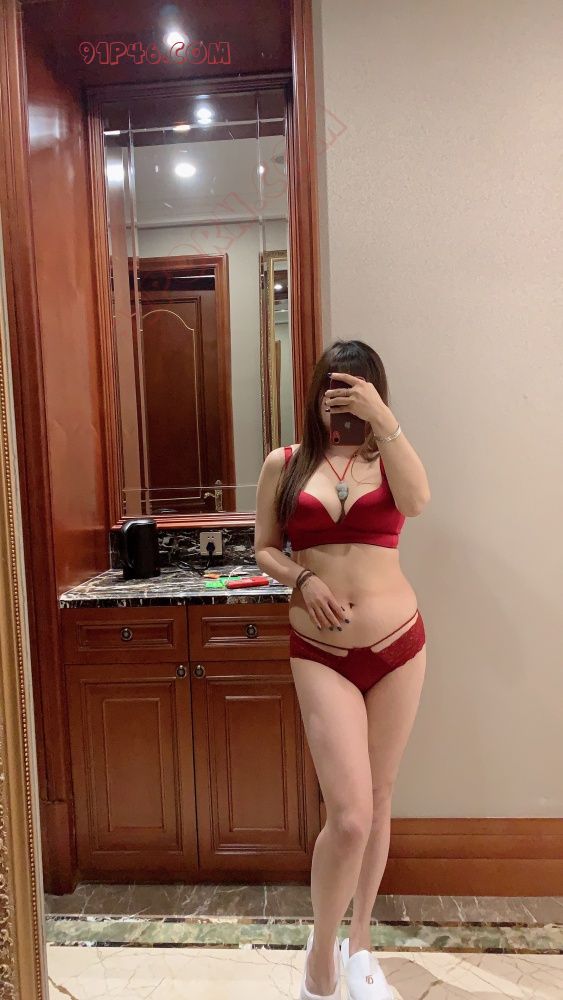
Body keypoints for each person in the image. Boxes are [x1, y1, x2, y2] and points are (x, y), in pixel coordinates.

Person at [254, 339, 430, 1000]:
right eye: (335, 388)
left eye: (357, 388)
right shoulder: (286, 463)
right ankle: (321, 952)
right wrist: (302, 579)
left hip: (398, 645)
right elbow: (264, 548)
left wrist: (383, 420)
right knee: (349, 815)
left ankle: (360, 946)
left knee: (380, 798)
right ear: (315, 393)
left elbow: (417, 502)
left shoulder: (391, 456)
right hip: (319, 651)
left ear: (375, 391)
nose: (344, 400)